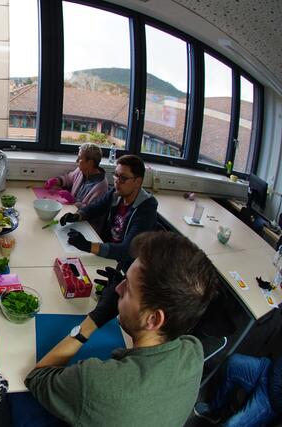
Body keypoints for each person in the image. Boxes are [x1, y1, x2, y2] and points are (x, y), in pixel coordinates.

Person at [24, 231, 219, 426]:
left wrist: (94, 320)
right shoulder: (193, 350)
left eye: (128, 289)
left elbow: (37, 377)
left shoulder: (95, 382)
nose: (118, 289)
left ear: (153, 319)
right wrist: (128, 297)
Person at [59, 154, 157, 271]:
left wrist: (88, 246)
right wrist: (77, 216)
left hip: (123, 265)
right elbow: (96, 207)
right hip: (107, 253)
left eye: (123, 178)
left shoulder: (146, 211)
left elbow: (128, 250)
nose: (117, 181)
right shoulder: (116, 193)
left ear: (138, 182)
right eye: (116, 175)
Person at [194, 353, 281, 426]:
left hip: (271, 401)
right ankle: (214, 411)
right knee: (232, 363)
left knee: (231, 425)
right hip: (267, 370)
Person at [44, 143, 108, 208]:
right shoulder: (81, 170)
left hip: (80, 213)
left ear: (90, 162)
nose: (77, 161)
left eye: (80, 158)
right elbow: (68, 178)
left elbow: (91, 210)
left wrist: (74, 201)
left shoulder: (100, 187)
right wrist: (56, 181)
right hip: (71, 208)